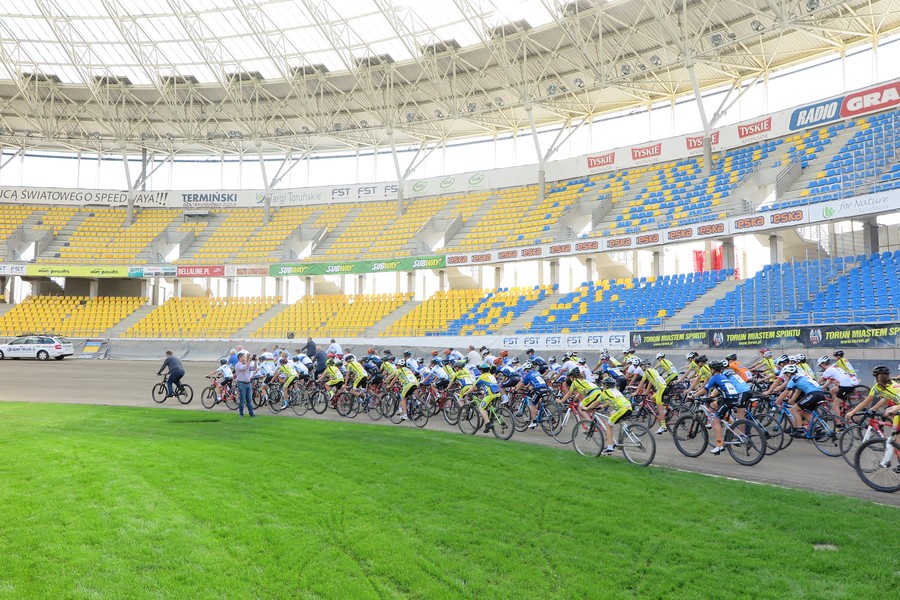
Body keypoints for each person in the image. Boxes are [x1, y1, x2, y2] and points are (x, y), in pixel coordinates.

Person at [702, 361, 749, 455]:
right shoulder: (723, 376)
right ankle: (733, 424)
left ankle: (719, 446)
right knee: (718, 407)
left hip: (728, 400)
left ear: (712, 370)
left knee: (716, 421)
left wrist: (693, 395)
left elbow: (704, 389)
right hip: (733, 397)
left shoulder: (715, 377)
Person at [234, 351, 255, 417]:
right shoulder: (238, 365)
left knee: (249, 399)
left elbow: (254, 368)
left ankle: (251, 413)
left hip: (248, 383)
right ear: (240, 357)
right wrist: (249, 359)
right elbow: (245, 367)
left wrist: (255, 361)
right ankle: (241, 414)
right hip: (242, 383)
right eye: (244, 356)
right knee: (242, 399)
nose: (245, 358)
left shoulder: (246, 363)